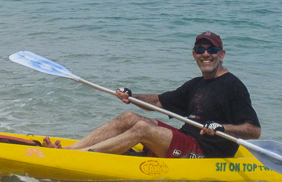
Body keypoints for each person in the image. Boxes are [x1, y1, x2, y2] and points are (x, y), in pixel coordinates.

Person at [42, 31, 261, 158]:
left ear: (221, 54)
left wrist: (221, 128)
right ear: (193, 55)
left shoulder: (233, 86)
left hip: (206, 152)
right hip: (186, 140)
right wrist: (131, 95)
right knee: (129, 117)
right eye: (200, 50)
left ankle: (81, 157)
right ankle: (68, 151)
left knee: (143, 129)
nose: (206, 54)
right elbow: (158, 101)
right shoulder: (196, 85)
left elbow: (253, 130)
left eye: (212, 50)